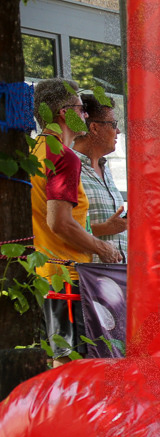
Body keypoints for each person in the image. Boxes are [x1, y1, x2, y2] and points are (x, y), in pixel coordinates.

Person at [29, 78, 121, 365]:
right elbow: (60, 222)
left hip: (45, 276)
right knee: (74, 369)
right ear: (63, 114)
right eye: (81, 110)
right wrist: (103, 248)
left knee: (59, 366)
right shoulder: (64, 157)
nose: (84, 115)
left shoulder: (34, 153)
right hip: (67, 279)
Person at [73, 93, 128, 261]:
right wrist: (103, 228)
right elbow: (58, 226)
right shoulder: (69, 167)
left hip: (114, 278)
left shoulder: (105, 168)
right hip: (86, 279)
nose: (118, 131)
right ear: (94, 128)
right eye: (113, 124)